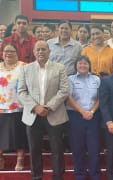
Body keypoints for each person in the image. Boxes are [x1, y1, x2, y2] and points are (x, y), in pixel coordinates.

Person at [18, 40, 69, 180]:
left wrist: (48, 106)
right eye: (38, 49)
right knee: (34, 150)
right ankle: (36, 177)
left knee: (57, 149)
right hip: (33, 115)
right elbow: (21, 92)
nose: (41, 52)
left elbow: (64, 90)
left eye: (43, 49)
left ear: (49, 51)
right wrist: (36, 107)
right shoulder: (25, 69)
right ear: (34, 52)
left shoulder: (60, 68)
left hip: (54, 113)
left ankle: (58, 176)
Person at [66, 55, 101, 180]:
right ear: (76, 65)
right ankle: (79, 175)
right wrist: (82, 112)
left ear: (89, 65)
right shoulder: (70, 79)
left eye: (85, 63)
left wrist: (91, 111)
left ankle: (95, 175)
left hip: (93, 116)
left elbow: (99, 98)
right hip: (75, 117)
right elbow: (68, 98)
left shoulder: (96, 79)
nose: (83, 65)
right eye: (80, 63)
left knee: (94, 148)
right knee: (77, 148)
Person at [0, 43, 26, 171]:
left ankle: (20, 159)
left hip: (19, 106)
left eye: (12, 51)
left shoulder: (24, 67)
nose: (8, 53)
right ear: (2, 53)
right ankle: (0, 158)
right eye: (6, 51)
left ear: (17, 53)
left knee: (19, 133)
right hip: (1, 107)